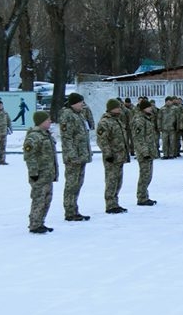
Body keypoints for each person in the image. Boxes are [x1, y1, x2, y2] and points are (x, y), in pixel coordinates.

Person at [23, 110, 58, 234]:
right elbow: (29, 156)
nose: (50, 121)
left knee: (47, 199)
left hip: (48, 174)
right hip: (39, 175)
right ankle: (35, 224)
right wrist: (33, 172)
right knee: (39, 199)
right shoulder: (34, 136)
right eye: (47, 120)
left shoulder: (46, 135)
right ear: (41, 122)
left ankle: (40, 222)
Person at [59, 93, 92, 221]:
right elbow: (67, 138)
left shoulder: (79, 115)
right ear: (73, 103)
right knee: (71, 185)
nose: (82, 105)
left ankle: (74, 209)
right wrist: (73, 156)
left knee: (78, 184)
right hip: (74, 158)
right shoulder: (68, 116)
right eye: (80, 103)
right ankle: (69, 211)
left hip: (81, 156)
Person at [96, 98, 130, 214]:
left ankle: (115, 202)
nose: (120, 109)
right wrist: (108, 153)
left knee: (118, 181)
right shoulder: (105, 122)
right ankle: (110, 204)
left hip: (120, 156)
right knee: (111, 180)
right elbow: (102, 140)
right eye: (117, 107)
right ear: (111, 108)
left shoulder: (117, 120)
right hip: (111, 157)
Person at [131, 97, 159, 206]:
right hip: (144, 153)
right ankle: (141, 197)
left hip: (149, 151)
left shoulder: (147, 118)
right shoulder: (139, 120)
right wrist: (145, 152)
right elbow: (139, 138)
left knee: (148, 175)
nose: (151, 109)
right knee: (144, 175)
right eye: (148, 107)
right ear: (143, 108)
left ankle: (144, 195)